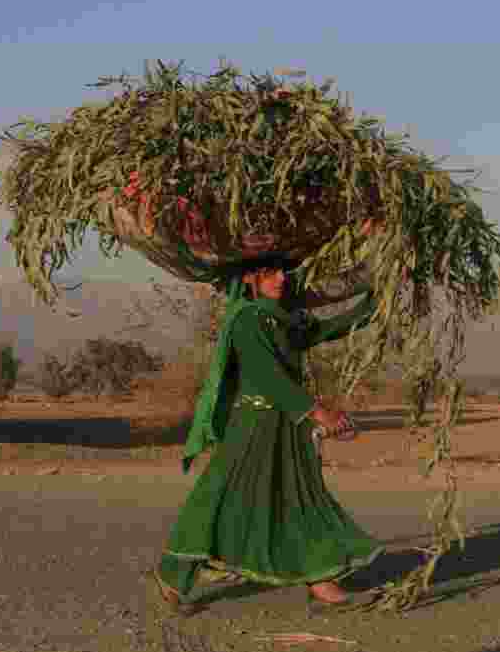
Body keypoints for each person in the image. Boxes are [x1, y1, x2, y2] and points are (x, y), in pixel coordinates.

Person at [152, 257, 383, 615]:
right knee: (219, 495)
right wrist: (318, 411)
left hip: (287, 426)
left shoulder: (285, 320)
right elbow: (266, 376)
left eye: (281, 272)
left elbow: (334, 326)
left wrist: (379, 299)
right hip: (253, 423)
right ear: (248, 279)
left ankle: (320, 580)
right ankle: (174, 573)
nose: (280, 279)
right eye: (269, 273)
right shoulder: (248, 320)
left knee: (298, 495)